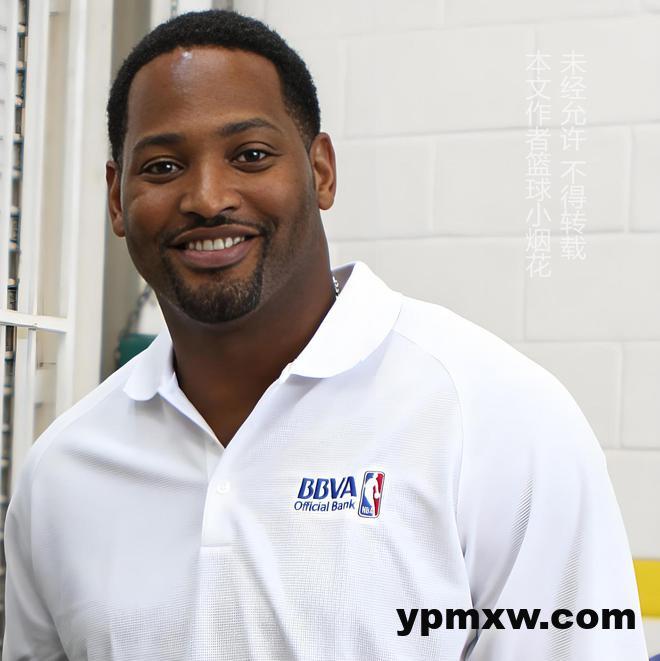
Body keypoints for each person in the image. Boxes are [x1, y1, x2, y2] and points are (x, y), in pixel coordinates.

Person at [2, 9, 648, 661]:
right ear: (117, 198)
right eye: (164, 166)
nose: (207, 197)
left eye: (250, 156)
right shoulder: (62, 472)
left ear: (322, 171)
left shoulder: (496, 417)